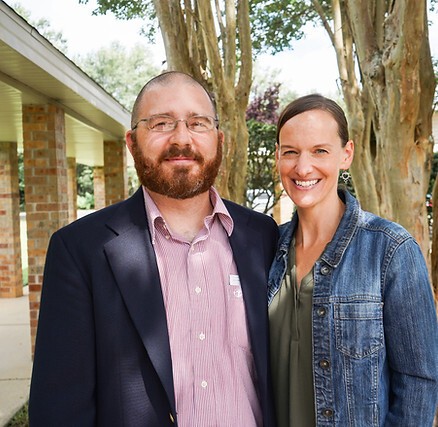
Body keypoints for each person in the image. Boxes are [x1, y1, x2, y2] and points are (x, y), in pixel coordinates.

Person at [29, 71, 279, 426]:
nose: (182, 138)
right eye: (161, 123)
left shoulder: (263, 237)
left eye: (197, 123)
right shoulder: (80, 250)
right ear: (132, 143)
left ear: (219, 140)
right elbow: (59, 406)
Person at [268, 94, 438, 426]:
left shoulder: (390, 250)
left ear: (346, 154)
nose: (303, 167)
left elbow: (419, 382)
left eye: (320, 151)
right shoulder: (266, 248)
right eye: (290, 152)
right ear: (278, 157)